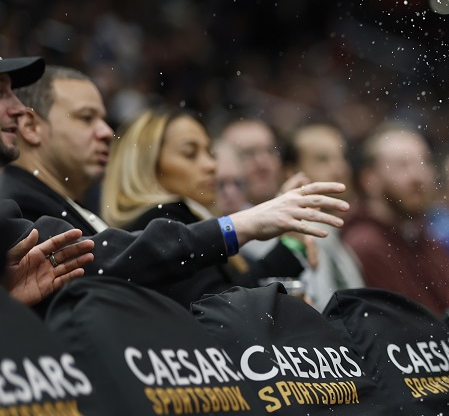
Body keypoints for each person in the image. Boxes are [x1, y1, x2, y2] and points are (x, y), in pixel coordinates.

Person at [0, 57, 349, 296]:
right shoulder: (16, 200)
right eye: (86, 117)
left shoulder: (59, 203)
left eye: (210, 151)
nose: (106, 132)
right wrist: (246, 224)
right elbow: (211, 308)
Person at [100, 109, 309, 307]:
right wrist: (289, 247)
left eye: (210, 153)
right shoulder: (161, 220)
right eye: (190, 153)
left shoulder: (188, 220)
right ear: (145, 167)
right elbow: (218, 310)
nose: (211, 165)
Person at [342, 124, 449, 314]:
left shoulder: (423, 238)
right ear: (370, 179)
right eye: (402, 165)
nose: (418, 176)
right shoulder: (365, 245)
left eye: (424, 163)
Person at [2, 66, 114, 232]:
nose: (107, 132)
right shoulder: (18, 208)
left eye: (103, 119)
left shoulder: (54, 202)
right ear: (30, 127)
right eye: (86, 117)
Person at [280, 122, 365, 309]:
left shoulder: (339, 240)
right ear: (291, 172)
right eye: (322, 159)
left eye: (341, 157)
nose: (340, 169)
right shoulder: (278, 243)